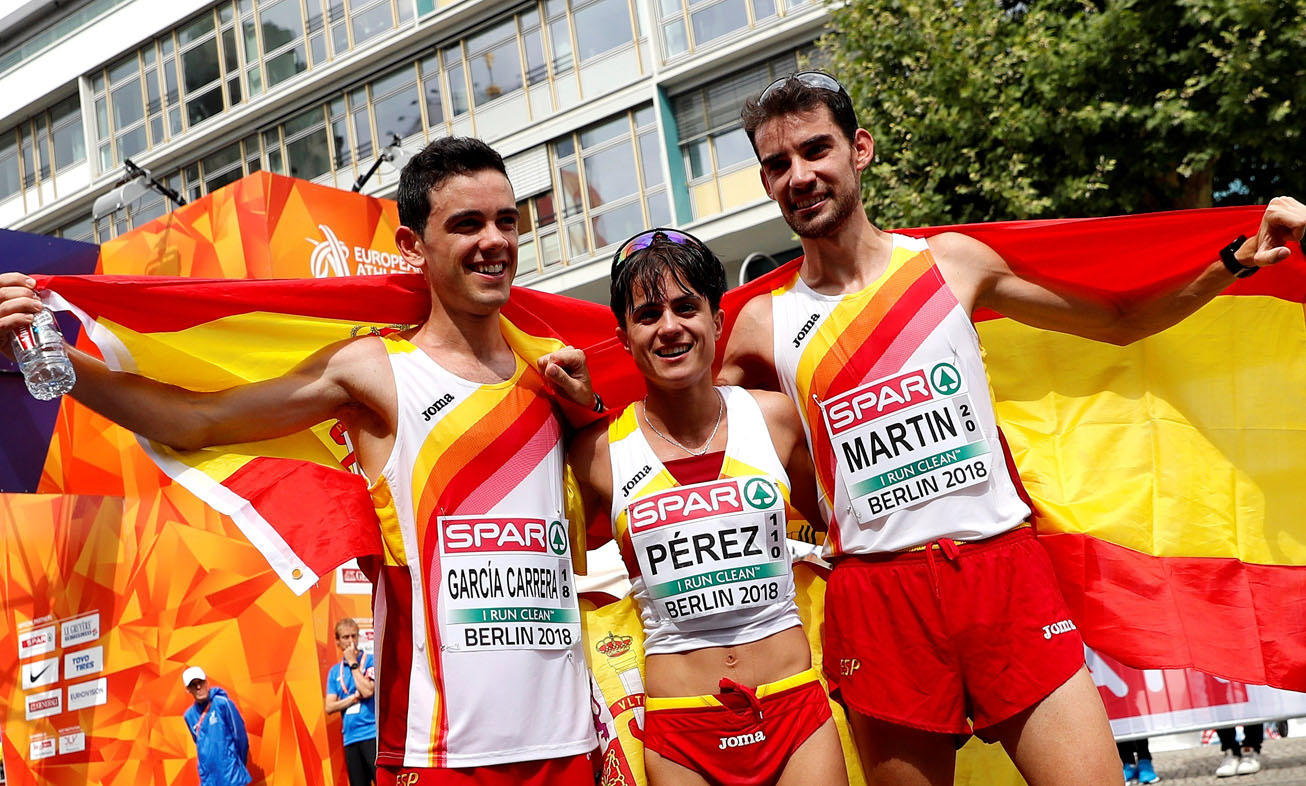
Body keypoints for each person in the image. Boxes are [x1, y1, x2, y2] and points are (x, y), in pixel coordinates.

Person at [719, 71, 1306, 786]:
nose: (801, 176)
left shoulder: (950, 264)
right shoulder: (759, 326)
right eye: (779, 164)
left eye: (817, 150)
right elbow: (697, 443)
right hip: (879, 599)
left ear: (860, 148)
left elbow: (1118, 321)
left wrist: (1235, 259)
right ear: (765, 180)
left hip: (1003, 576)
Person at [0, 136, 602, 784]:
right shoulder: (377, 372)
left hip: (567, 743)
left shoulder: (554, 372)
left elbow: (612, 501)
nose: (494, 241)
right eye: (467, 224)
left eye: (506, 221)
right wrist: (53, 360)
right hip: (441, 754)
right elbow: (195, 419)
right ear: (411, 247)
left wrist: (589, 406)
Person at [570, 228, 848, 786]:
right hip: (680, 735)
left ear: (717, 322)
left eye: (686, 307)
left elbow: (845, 535)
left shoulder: (776, 419)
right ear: (624, 337)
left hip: (796, 715)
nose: (669, 326)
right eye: (647, 314)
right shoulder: (594, 453)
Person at [326, 618, 377, 786]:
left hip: (372, 734)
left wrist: (354, 664)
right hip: (350, 738)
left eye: (353, 636)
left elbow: (368, 690)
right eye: (345, 637)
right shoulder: (335, 672)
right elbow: (329, 706)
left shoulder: (370, 660)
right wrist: (352, 699)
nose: (350, 642)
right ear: (338, 641)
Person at [182, 666, 251, 786]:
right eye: (194, 685)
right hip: (209, 781)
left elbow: (241, 738)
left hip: (231, 779)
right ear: (188, 689)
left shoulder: (222, 703)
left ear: (206, 682)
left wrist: (236, 766)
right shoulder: (189, 716)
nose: (198, 687)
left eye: (200, 682)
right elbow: (200, 745)